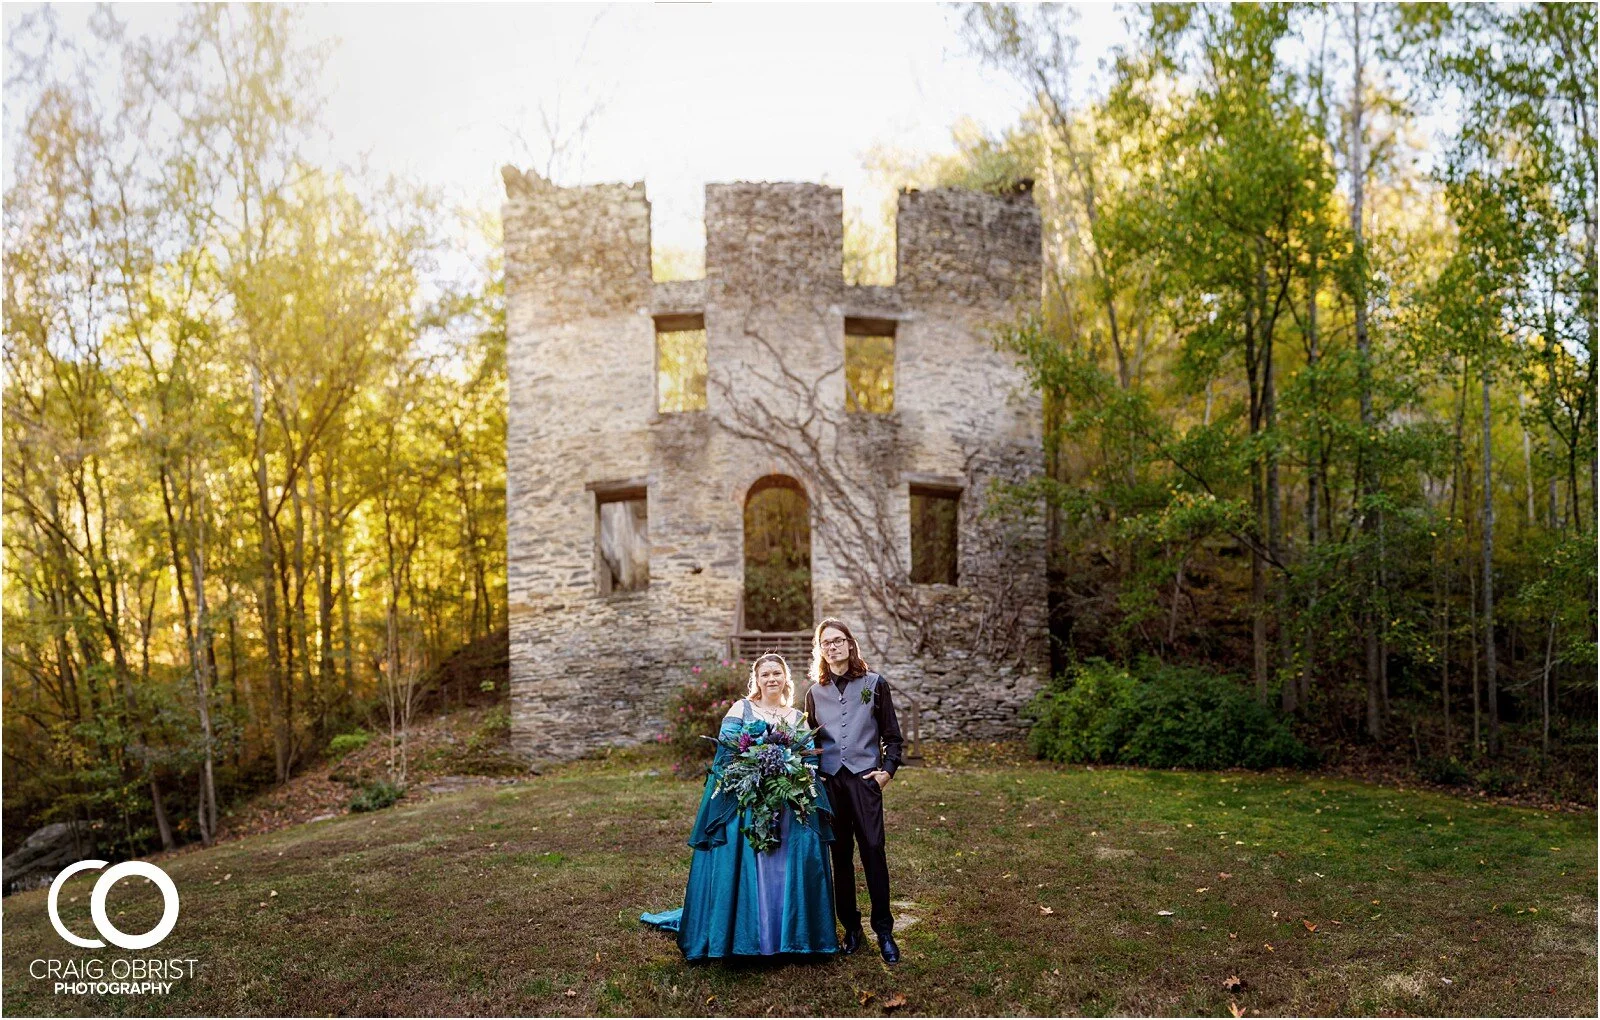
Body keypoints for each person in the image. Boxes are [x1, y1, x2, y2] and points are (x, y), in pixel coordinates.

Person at [640, 653, 840, 960]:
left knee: (799, 850)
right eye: (765, 675)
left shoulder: (797, 717)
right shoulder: (742, 709)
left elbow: (810, 758)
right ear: (756, 680)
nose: (772, 679)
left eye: (777, 673)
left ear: (785, 678)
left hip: (788, 799)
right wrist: (757, 770)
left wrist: (795, 774)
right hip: (747, 799)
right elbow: (728, 754)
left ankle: (792, 934)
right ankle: (746, 934)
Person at [803, 618, 904, 964]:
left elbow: (892, 736)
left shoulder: (874, 684)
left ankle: (884, 930)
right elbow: (812, 744)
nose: (832, 646)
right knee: (840, 857)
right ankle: (851, 929)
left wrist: (886, 772)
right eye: (826, 642)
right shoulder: (814, 693)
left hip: (864, 780)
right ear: (821, 650)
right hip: (832, 783)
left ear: (849, 644)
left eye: (838, 640)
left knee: (873, 851)